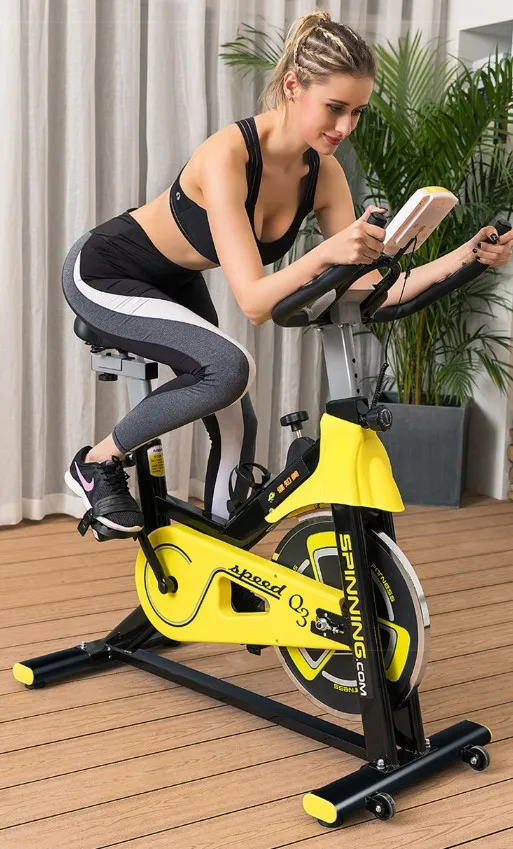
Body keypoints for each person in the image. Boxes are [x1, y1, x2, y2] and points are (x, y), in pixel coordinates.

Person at [63, 9, 513, 537]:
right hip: (106, 271)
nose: (345, 127)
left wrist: (466, 256)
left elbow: (367, 290)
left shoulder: (324, 175)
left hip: (177, 282)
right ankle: (96, 461)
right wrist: (328, 254)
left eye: (357, 112)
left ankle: (224, 553)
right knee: (229, 369)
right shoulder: (228, 155)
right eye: (335, 108)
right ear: (294, 86)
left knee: (237, 417)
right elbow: (254, 302)